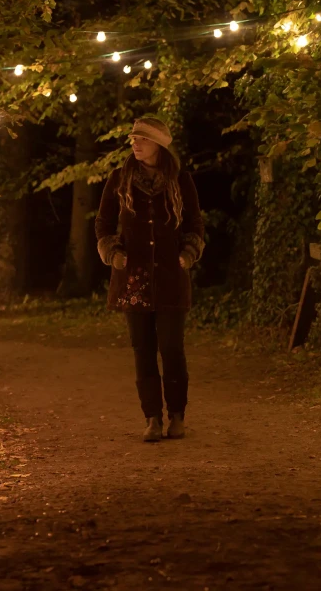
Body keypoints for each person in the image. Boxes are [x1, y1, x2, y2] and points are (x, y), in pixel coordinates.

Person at [95, 117, 205, 442]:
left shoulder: (180, 179)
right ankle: (152, 418)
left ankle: (178, 416)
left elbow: (195, 223)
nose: (135, 144)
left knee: (172, 349)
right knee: (142, 350)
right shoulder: (120, 178)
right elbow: (102, 222)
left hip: (171, 276)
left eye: (142, 138)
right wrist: (113, 253)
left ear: (159, 143)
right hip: (133, 278)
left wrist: (188, 253)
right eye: (133, 139)